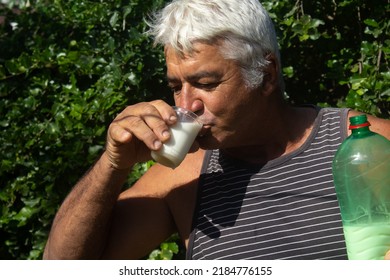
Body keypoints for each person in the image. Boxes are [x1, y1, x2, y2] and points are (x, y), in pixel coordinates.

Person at [43, 0, 390, 260]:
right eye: (176, 86)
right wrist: (112, 164)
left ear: (266, 74)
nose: (186, 104)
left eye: (205, 83)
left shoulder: (367, 146)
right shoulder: (185, 175)